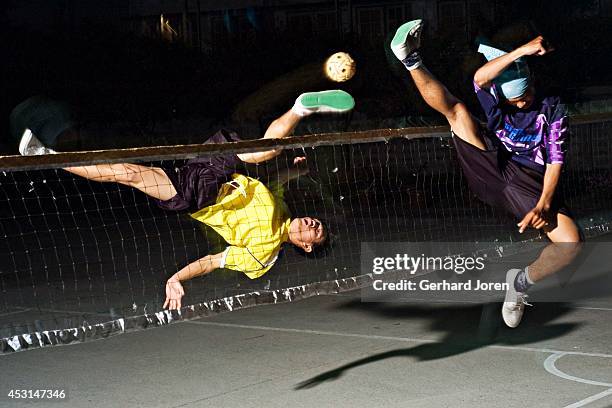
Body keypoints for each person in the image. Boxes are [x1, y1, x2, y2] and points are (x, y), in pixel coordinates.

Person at [19, 90, 355, 310]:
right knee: (263, 151)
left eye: (316, 231)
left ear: (306, 246)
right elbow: (276, 181)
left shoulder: (260, 258)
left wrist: (176, 278)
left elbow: (213, 261)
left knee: (128, 174)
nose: (313, 222)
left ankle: (45, 155)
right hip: (218, 171)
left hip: (199, 197)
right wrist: (294, 173)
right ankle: (301, 106)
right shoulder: (283, 209)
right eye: (317, 221)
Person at [390, 20, 581, 328]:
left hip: (530, 179)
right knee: (458, 112)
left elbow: (555, 160)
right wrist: (521, 50)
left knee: (570, 244)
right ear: (502, 96)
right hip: (496, 167)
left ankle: (519, 283)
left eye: (527, 93)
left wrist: (545, 202)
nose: (522, 101)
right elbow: (480, 77)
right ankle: (409, 59)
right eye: (515, 98)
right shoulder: (495, 102)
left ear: (533, 83)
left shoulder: (552, 110)